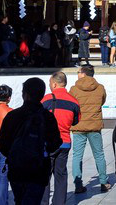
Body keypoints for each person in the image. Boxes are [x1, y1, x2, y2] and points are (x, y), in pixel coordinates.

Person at [0, 77, 62, 203]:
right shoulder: (47, 117)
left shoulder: (13, 116)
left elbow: (3, 144)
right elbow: (55, 143)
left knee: (19, 200)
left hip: (17, 169)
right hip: (38, 169)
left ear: (25, 94)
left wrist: (16, 154)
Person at [41, 71, 80, 205]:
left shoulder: (46, 99)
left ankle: (44, 202)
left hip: (48, 143)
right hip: (65, 143)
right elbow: (76, 121)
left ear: (54, 84)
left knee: (45, 174)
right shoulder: (74, 101)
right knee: (61, 175)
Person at [68, 65, 109, 193]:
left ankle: (78, 184)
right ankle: (103, 182)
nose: (77, 74)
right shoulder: (100, 88)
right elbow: (102, 101)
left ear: (83, 74)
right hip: (94, 126)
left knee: (77, 156)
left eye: (78, 72)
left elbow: (71, 105)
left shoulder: (74, 89)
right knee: (99, 154)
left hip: (78, 126)